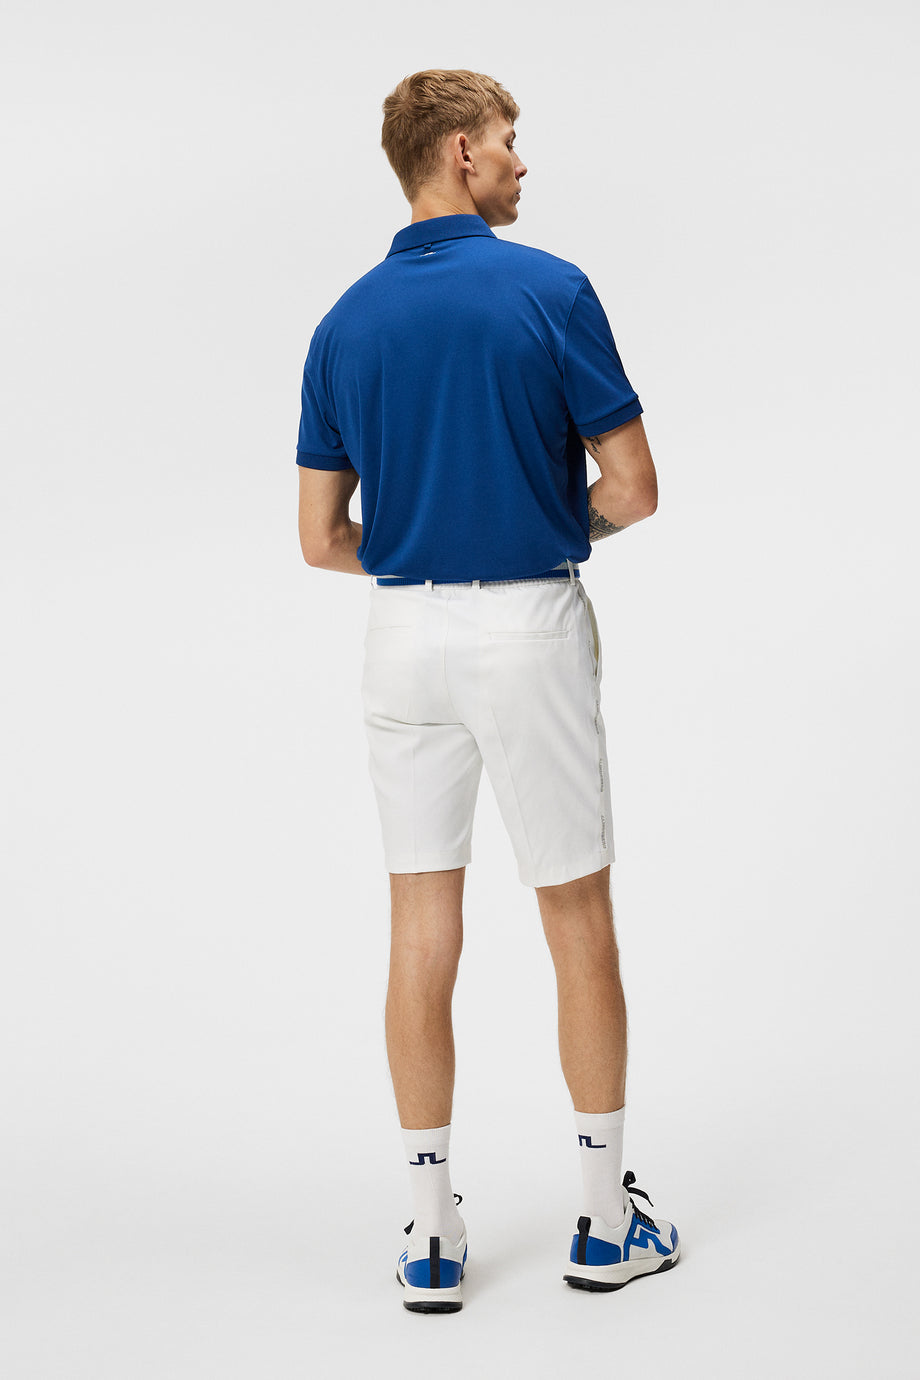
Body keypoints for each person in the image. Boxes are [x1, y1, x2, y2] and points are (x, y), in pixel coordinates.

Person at [295, 69, 679, 1313]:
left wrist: (422, 541)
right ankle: (602, 1220)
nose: (522, 162)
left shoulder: (343, 323)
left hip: (400, 637)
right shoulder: (548, 290)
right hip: (527, 624)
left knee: (420, 924)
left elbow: (320, 538)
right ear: (460, 151)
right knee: (574, 914)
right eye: (511, 141)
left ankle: (428, 1232)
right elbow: (631, 490)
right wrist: (535, 524)